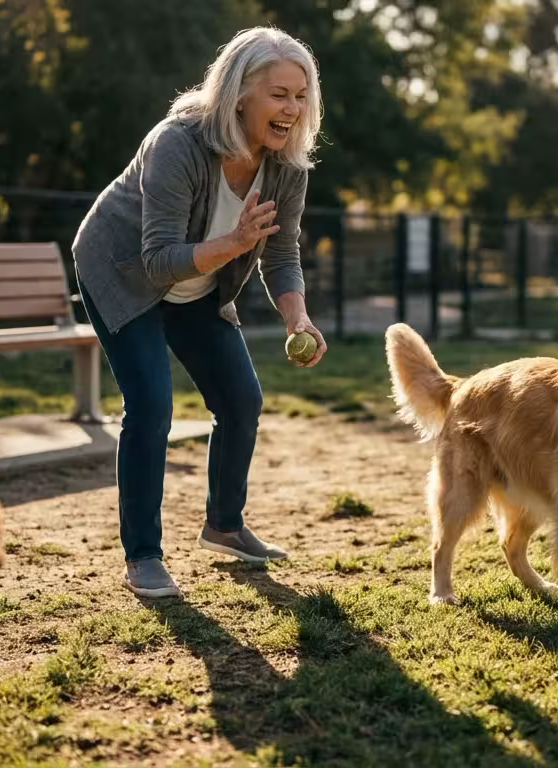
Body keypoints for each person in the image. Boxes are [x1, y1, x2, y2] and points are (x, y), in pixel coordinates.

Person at [71, 26, 327, 598]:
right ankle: (142, 555)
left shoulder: (286, 167)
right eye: (279, 94)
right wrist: (234, 244)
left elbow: (282, 253)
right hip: (123, 273)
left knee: (241, 400)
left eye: (301, 94)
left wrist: (297, 319)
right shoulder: (178, 144)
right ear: (240, 95)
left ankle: (225, 526)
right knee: (151, 406)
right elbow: (158, 260)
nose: (292, 108)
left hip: (199, 286)